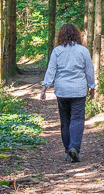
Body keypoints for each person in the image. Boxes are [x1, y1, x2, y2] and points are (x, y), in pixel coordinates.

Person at [39, 23, 97, 162]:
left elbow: (51, 70)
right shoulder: (83, 51)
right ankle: (74, 148)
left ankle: (68, 150)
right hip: (78, 90)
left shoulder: (57, 51)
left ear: (61, 36)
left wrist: (44, 88)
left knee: (65, 121)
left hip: (62, 91)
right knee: (77, 120)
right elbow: (89, 71)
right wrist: (92, 87)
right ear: (77, 35)